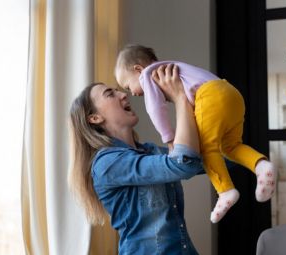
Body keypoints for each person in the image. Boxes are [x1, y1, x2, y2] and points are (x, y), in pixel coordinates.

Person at [113, 44, 277, 223]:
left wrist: (169, 138)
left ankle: (225, 190)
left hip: (210, 96)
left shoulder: (148, 75)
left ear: (138, 70)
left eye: (128, 87)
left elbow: (155, 109)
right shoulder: (170, 69)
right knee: (230, 147)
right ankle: (261, 165)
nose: (133, 94)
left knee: (206, 148)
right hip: (231, 94)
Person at [68, 65, 201, 254]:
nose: (123, 94)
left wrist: (253, 160)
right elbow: (183, 164)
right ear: (95, 118)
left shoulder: (151, 151)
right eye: (109, 94)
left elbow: (200, 161)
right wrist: (180, 98)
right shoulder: (107, 163)